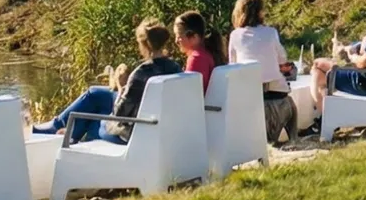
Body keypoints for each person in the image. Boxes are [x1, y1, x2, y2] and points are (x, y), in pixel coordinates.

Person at [33, 20, 181, 145]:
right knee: (95, 94)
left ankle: (64, 137)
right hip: (158, 129)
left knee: (94, 121)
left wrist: (120, 85)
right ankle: (63, 132)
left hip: (134, 134)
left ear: (145, 44)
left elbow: (119, 114)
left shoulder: (140, 74)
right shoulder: (175, 68)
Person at [229, 0, 298, 143]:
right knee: (291, 104)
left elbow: (232, 66)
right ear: (261, 12)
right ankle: (294, 138)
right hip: (277, 99)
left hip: (251, 99)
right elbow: (282, 59)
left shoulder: (235, 36)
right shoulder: (271, 32)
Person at [175, 11, 226, 89]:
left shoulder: (197, 58)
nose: (176, 41)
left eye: (179, 36)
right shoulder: (209, 53)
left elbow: (191, 92)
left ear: (194, 37)